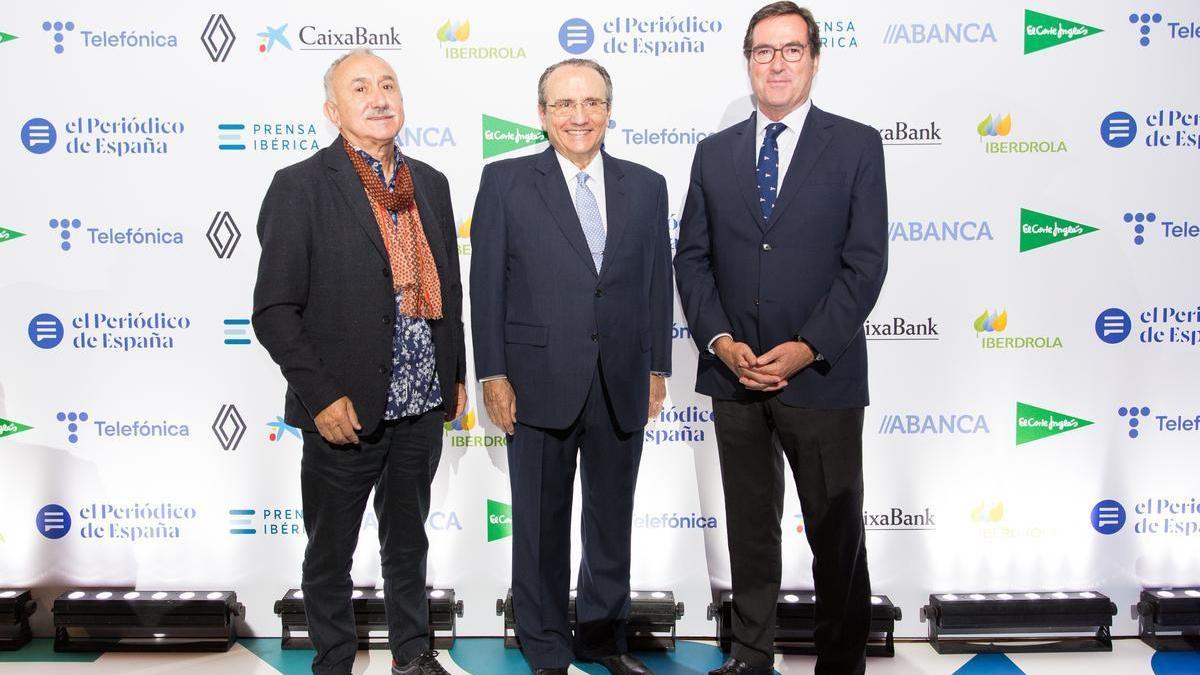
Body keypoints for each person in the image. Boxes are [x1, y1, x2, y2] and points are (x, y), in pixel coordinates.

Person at [673, 3, 888, 674]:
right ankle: (751, 654)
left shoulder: (856, 144)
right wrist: (718, 340)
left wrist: (807, 345)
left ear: (815, 60)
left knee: (835, 533)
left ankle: (841, 661)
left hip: (821, 377)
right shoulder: (713, 154)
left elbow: (865, 262)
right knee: (750, 530)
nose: (777, 63)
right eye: (764, 51)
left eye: (792, 50)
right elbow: (692, 259)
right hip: (735, 377)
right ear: (748, 62)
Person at [252, 48, 466, 675]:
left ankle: (412, 654)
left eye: (388, 84)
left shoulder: (430, 182)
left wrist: (452, 375)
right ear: (332, 109)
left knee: (408, 543)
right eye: (360, 87)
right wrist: (320, 397)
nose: (379, 97)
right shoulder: (301, 186)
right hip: (343, 410)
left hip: (421, 404)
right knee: (330, 551)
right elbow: (274, 311)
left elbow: (448, 290)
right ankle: (335, 659)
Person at [469, 58, 672, 675]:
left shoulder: (647, 183)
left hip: (620, 380)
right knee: (538, 525)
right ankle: (546, 646)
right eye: (564, 104)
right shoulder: (504, 181)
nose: (579, 116)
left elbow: (655, 283)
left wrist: (657, 367)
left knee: (611, 521)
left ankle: (603, 639)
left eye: (592, 103)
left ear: (609, 110)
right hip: (535, 383)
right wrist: (493, 374)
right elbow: (486, 286)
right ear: (542, 114)